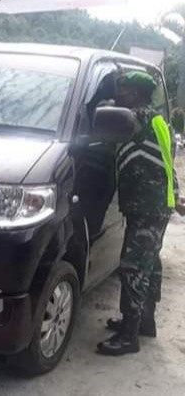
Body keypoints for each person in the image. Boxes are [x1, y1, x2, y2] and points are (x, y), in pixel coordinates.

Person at [97, 71, 185, 356]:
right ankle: (144, 322)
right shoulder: (159, 120)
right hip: (155, 204)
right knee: (149, 263)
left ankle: (129, 336)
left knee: (133, 266)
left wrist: (100, 106)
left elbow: (107, 122)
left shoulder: (139, 118)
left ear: (135, 94)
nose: (120, 94)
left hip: (148, 206)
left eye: (123, 90)